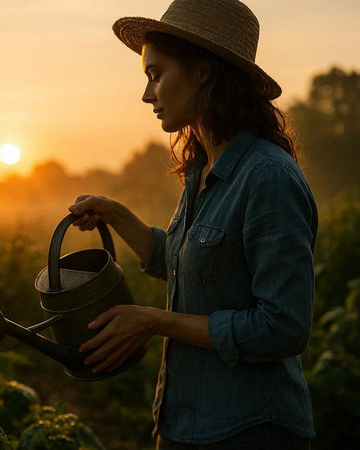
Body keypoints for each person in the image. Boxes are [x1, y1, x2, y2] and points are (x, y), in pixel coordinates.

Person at [68, 0, 318, 448]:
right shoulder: (202, 169)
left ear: (202, 71)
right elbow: (186, 264)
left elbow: (283, 326)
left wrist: (154, 321)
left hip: (249, 430)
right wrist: (115, 212)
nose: (147, 94)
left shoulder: (268, 177)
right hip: (185, 423)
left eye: (156, 75)